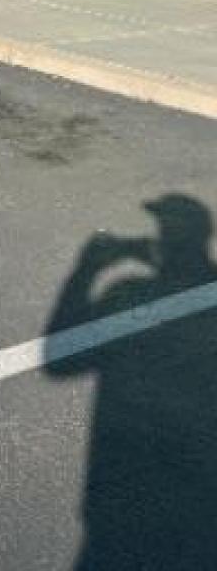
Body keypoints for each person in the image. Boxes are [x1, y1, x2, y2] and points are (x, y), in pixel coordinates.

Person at [43, 195, 217, 570]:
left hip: (119, 508)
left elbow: (60, 359)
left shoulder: (130, 299)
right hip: (202, 514)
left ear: (161, 244)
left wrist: (85, 270)